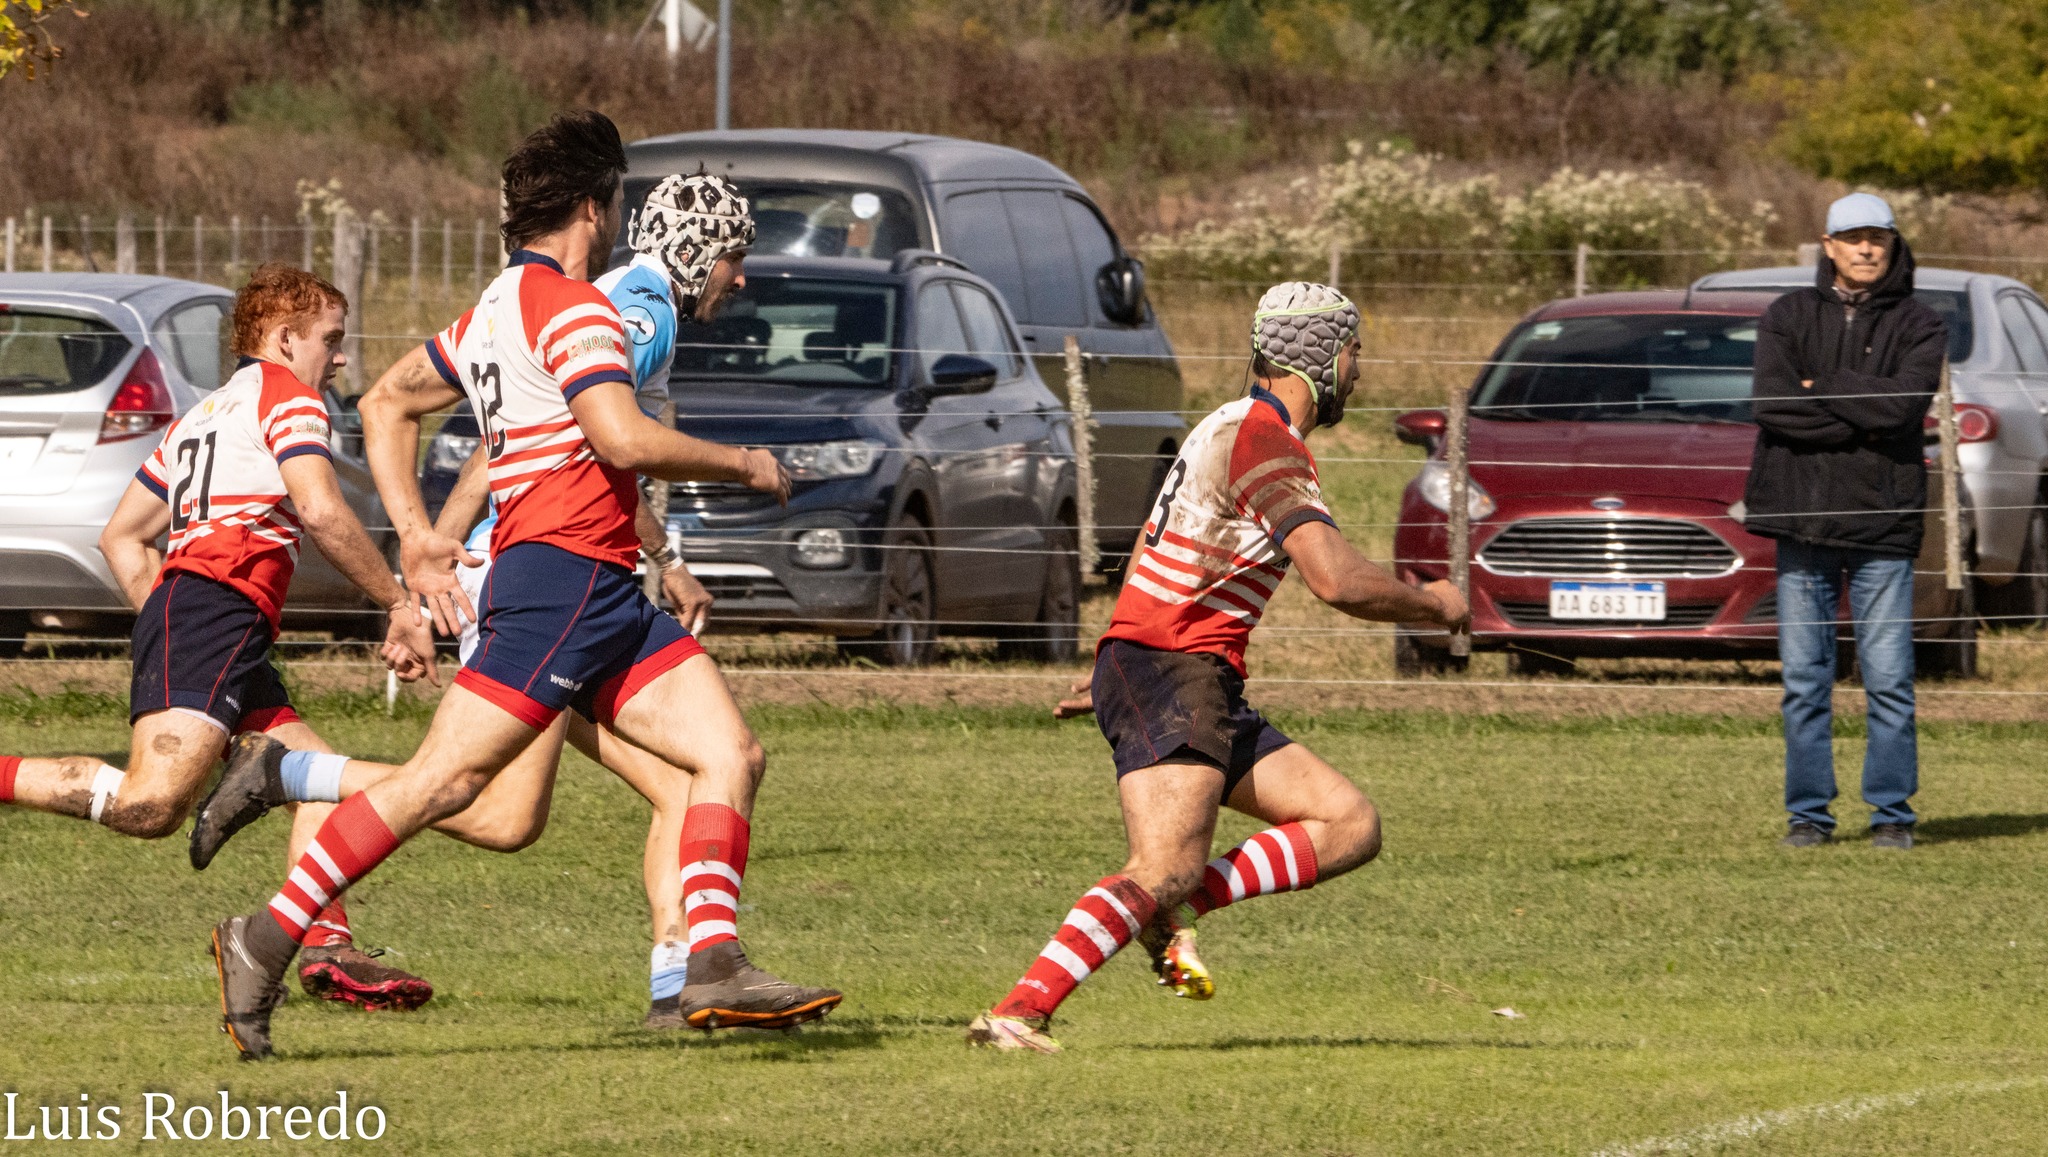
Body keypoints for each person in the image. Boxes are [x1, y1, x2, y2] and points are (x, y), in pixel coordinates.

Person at [196, 110, 839, 1060]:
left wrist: (422, 538)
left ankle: (710, 961)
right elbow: (621, 437)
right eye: (615, 200)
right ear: (596, 204)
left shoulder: (497, 306)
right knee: (448, 786)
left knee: (729, 753)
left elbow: (385, 398)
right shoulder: (578, 307)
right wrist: (745, 464)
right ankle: (265, 935)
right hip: (557, 582)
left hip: (604, 587)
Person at [967, 282, 1470, 1053]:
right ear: (1322, 358)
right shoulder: (1264, 439)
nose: (1360, 372)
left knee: (1348, 822)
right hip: (1175, 667)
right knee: (1162, 864)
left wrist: (1111, 655)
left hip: (1170, 666)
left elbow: (1150, 546)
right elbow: (1334, 578)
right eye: (1355, 353)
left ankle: (1173, 910)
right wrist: (1433, 604)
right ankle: (1019, 1010)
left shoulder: (1225, 424)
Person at [0, 264, 440, 1011]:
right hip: (213, 616)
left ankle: (325, 947)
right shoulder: (289, 400)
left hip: (210, 619)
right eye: (330, 340)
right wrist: (398, 602)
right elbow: (323, 512)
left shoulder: (206, 413)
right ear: (282, 337)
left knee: (317, 774)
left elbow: (121, 537)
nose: (338, 358)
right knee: (149, 806)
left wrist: (164, 619)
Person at [1744, 192, 1947, 852]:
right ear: (1826, 245)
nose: (1866, 248)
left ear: (1893, 245)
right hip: (1802, 522)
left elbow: (1903, 409)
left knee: (1888, 679)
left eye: (1877, 238)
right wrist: (1860, 404)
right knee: (1805, 680)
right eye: (1852, 237)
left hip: (1884, 525)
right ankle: (1808, 814)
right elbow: (1774, 407)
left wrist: (1820, 386)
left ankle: (1892, 812)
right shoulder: (1787, 315)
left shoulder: (1920, 323)